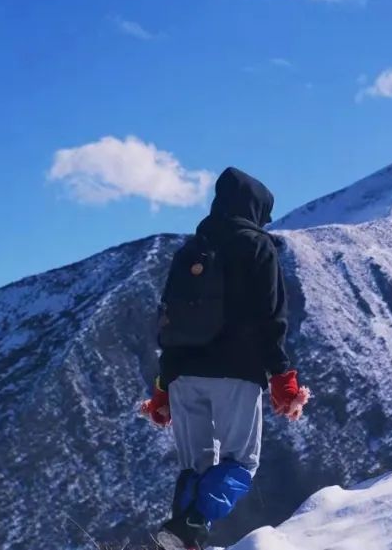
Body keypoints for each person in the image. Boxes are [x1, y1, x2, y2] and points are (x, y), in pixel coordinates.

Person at [140, 167, 310, 550]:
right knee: (241, 464)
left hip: (183, 375)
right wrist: (282, 377)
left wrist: (163, 389)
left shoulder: (190, 251)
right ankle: (192, 526)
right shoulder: (257, 246)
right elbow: (272, 317)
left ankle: (183, 539)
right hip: (237, 372)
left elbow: (168, 323)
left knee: (194, 467)